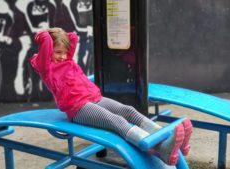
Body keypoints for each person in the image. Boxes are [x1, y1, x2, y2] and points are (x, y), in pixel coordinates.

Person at [29, 27, 193, 165]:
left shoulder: (67, 60)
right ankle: (158, 149)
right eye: (58, 52)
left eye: (64, 52)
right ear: (48, 50)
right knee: (116, 121)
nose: (63, 56)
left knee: (127, 110)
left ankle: (168, 138)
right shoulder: (47, 68)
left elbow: (73, 38)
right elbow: (47, 45)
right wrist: (43, 36)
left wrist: (63, 38)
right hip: (78, 108)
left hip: (94, 98)